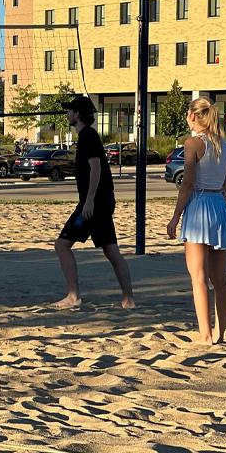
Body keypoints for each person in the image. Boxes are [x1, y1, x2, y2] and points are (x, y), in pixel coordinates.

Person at [52, 96, 134, 309]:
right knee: (111, 251)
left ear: (77, 114)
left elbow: (96, 167)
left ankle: (73, 296)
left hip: (94, 203)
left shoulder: (88, 135)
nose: (67, 114)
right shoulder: (87, 135)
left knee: (62, 245)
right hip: (102, 201)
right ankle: (128, 300)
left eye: (70, 110)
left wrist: (88, 201)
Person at [166, 96, 226, 345]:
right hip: (219, 205)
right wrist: (220, 206)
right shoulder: (224, 145)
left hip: (199, 206)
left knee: (198, 277)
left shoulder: (193, 143)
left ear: (193, 116)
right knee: (220, 278)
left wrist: (175, 216)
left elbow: (187, 183)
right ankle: (222, 333)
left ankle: (205, 335)